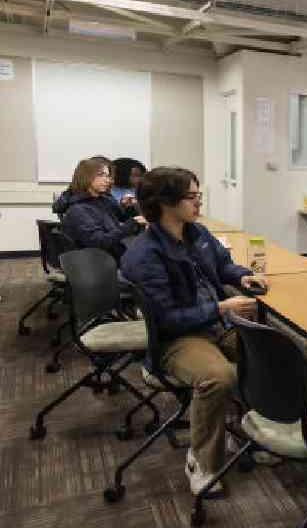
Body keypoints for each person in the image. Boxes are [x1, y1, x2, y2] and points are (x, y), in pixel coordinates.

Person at [121, 166, 268, 497]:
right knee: (217, 376)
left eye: (199, 195)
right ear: (166, 202)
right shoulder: (145, 256)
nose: (199, 202)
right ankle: (202, 462)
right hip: (178, 338)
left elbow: (222, 264)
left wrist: (242, 277)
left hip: (215, 323)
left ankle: (245, 431)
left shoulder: (196, 233)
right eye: (192, 196)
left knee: (270, 353)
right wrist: (219, 308)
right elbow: (166, 320)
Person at [61, 158, 147, 262]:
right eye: (101, 175)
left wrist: (128, 208)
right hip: (100, 263)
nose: (108, 180)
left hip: (115, 254)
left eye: (107, 176)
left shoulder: (103, 200)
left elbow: (120, 218)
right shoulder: (78, 210)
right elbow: (99, 242)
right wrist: (131, 224)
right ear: (86, 177)